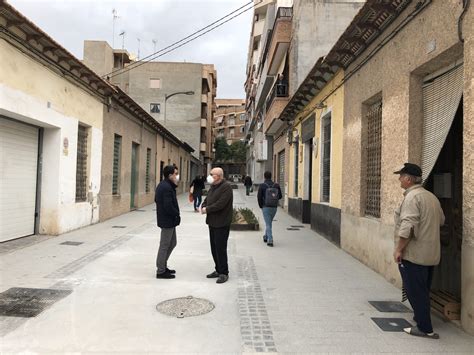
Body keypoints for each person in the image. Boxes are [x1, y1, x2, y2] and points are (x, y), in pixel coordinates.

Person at [393, 163, 445, 339]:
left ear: (408, 179)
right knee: (422, 290)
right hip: (430, 254)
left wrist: (399, 249)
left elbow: (408, 227)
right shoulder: (431, 197)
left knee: (415, 291)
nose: (399, 179)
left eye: (401, 176)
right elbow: (441, 221)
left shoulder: (412, 198)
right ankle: (420, 317)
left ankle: (425, 328)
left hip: (414, 255)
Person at [201, 167, 233, 284]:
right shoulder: (213, 186)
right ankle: (218, 269)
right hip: (212, 222)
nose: (209, 176)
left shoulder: (226, 187)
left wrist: (207, 209)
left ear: (219, 176)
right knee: (214, 248)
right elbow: (208, 199)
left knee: (220, 248)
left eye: (212, 174)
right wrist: (203, 205)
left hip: (222, 222)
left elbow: (220, 204)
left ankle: (224, 273)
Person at [154, 165, 181, 279]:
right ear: (170, 175)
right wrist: (176, 214)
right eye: (175, 174)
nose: (177, 176)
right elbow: (168, 206)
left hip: (169, 220)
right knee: (165, 245)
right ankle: (161, 270)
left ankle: (163, 265)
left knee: (172, 243)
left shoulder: (167, 185)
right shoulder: (166, 187)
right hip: (167, 220)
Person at [257, 171, 282, 247]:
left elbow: (259, 197)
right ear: (271, 176)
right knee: (269, 222)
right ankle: (266, 236)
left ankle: (270, 240)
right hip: (274, 207)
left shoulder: (262, 185)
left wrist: (261, 206)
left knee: (268, 223)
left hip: (266, 207)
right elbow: (280, 196)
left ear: (264, 176)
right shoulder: (276, 185)